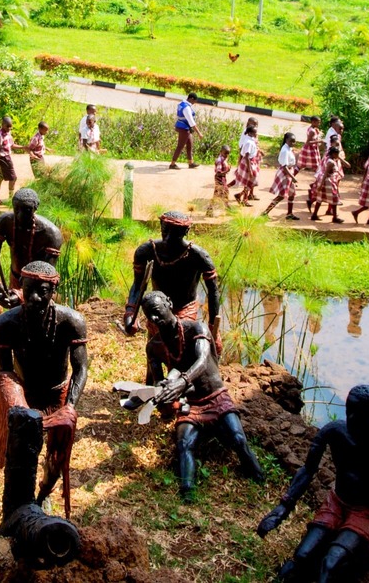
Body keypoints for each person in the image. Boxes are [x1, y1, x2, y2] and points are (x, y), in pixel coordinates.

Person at [257, 385, 369, 582]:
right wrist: (282, 509)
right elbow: (308, 470)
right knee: (302, 557)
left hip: (368, 512)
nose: (352, 418)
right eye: (349, 411)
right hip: (337, 501)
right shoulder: (336, 431)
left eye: (360, 414)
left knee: (330, 565)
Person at [138, 292, 264, 502]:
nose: (154, 319)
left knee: (239, 440)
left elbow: (203, 360)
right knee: (184, 445)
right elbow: (158, 381)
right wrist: (162, 393)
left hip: (215, 396)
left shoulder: (197, 328)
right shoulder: (154, 346)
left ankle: (258, 476)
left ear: (169, 303)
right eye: (149, 316)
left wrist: (182, 381)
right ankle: (188, 491)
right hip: (191, 404)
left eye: (157, 312)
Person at [0, 261, 88, 518]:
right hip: (23, 393)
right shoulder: (5, 324)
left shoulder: (71, 321)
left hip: (58, 393)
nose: (34, 297)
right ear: (20, 287)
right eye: (28, 289)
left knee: (56, 460)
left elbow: (80, 369)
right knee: (22, 453)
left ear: (53, 290)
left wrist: (69, 407)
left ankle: (43, 495)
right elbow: (5, 373)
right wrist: (18, 407)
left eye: (42, 291)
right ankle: (19, 503)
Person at [123, 212, 221, 384]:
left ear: (186, 232)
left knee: (180, 351)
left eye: (175, 233)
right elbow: (138, 284)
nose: (168, 238)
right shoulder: (147, 251)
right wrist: (130, 313)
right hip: (157, 308)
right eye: (165, 231)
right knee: (155, 347)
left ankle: (177, 388)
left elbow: (213, 291)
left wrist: (214, 329)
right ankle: (152, 383)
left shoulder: (198, 256)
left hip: (186, 309)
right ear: (160, 227)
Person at [0, 187, 64, 305]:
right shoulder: (4, 222)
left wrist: (20, 295)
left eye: (27, 210)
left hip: (39, 288)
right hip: (15, 277)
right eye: (16, 209)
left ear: (35, 208)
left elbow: (47, 275)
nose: (20, 216)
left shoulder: (52, 234)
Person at [262, 132, 301, 220]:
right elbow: (284, 167)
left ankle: (289, 213)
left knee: (291, 194)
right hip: (285, 174)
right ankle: (265, 212)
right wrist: (293, 177)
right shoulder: (285, 150)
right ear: (286, 140)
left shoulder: (289, 149)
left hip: (289, 173)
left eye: (294, 142)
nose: (293, 143)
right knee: (282, 195)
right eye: (291, 141)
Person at [309, 146, 345, 223]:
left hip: (324, 180)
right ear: (333, 154)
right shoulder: (331, 162)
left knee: (320, 198)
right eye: (337, 154)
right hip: (327, 181)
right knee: (334, 199)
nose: (338, 155)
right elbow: (325, 173)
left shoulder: (327, 158)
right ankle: (334, 217)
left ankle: (314, 214)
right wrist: (321, 184)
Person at [170, 92, 202, 169]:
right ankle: (172, 164)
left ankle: (190, 163)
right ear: (191, 99)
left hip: (183, 126)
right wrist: (199, 133)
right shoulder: (186, 108)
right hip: (184, 128)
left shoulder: (182, 103)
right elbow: (191, 122)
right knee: (180, 146)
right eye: (194, 101)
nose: (194, 103)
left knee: (190, 144)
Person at [0, 116, 18, 206]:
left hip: (7, 157)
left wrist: (24, 147)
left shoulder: (8, 133)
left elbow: (12, 145)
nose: (9, 128)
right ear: (2, 125)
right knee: (13, 178)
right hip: (3, 158)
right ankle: (11, 199)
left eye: (11, 126)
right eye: (7, 126)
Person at [234, 119, 261, 206]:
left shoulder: (252, 137)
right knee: (248, 180)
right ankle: (243, 197)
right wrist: (249, 168)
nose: (256, 126)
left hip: (252, 160)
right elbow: (245, 152)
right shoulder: (247, 137)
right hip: (248, 162)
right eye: (254, 124)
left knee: (250, 180)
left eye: (257, 124)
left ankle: (244, 195)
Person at [206, 144, 232, 218]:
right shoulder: (219, 160)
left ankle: (210, 210)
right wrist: (226, 171)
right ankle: (228, 209)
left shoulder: (223, 159)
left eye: (228, 153)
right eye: (225, 153)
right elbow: (218, 172)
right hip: (219, 178)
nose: (227, 155)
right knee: (223, 193)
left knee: (219, 194)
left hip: (222, 178)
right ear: (221, 152)